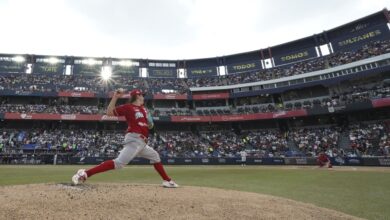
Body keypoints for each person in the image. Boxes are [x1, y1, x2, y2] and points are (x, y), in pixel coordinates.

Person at [72, 89, 179, 188]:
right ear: (137, 96)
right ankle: (85, 173)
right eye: (142, 95)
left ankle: (166, 180)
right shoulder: (128, 107)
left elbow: (150, 126)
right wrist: (115, 97)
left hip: (142, 143)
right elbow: (109, 112)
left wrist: (150, 122)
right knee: (119, 163)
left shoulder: (144, 109)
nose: (143, 97)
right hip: (134, 139)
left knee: (155, 156)